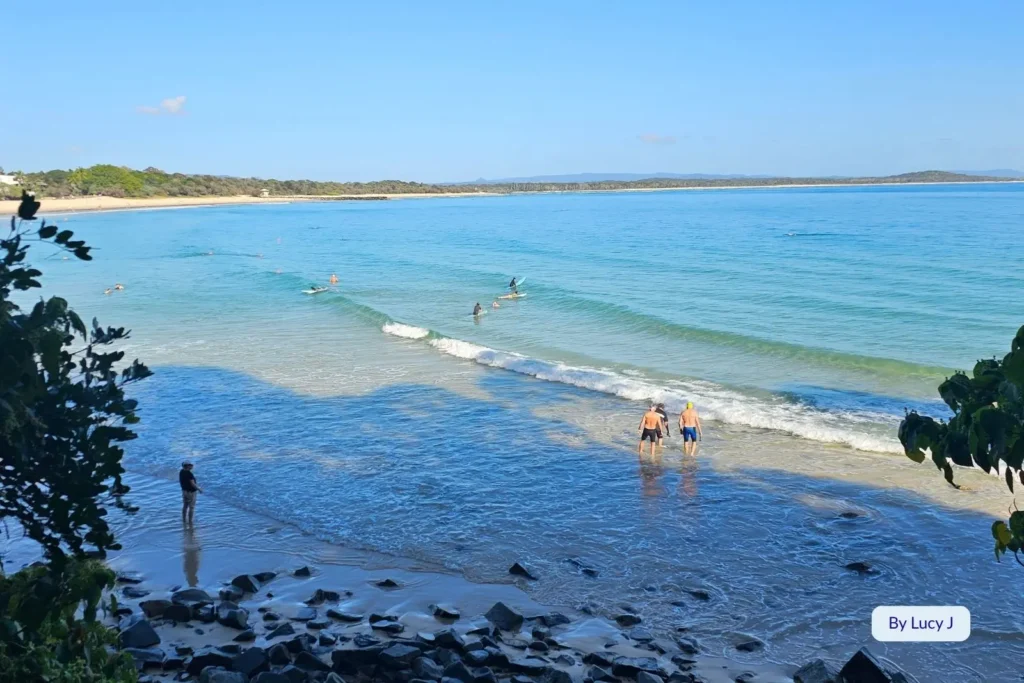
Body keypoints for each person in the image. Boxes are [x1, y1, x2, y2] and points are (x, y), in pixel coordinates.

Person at [179, 461, 202, 526]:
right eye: (191, 465)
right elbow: (192, 484)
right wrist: (199, 489)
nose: (192, 466)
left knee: (185, 506)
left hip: (184, 491)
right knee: (191, 507)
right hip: (191, 493)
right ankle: (190, 521)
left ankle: (184, 519)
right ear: (187, 466)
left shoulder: (181, 472)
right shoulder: (189, 474)